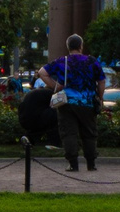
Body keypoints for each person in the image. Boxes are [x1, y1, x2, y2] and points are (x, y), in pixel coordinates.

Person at [41, 35, 105, 172]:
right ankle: (91, 163)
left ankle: (73, 164)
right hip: (88, 102)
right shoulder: (92, 61)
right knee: (89, 133)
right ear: (81, 46)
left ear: (68, 47)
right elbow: (101, 81)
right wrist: (100, 97)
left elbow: (42, 72)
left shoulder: (61, 61)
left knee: (69, 133)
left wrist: (56, 86)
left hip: (67, 103)